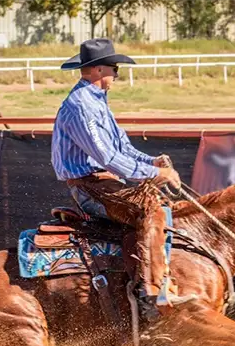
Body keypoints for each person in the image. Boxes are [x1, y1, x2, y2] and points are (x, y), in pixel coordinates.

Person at [51, 38, 183, 311]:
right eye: (114, 68)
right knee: (151, 209)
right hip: (90, 186)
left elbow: (121, 147)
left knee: (160, 208)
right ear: (98, 70)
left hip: (102, 181)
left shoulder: (96, 101)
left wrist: (151, 161)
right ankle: (151, 290)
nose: (117, 74)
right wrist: (154, 173)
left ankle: (153, 279)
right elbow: (107, 158)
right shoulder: (81, 106)